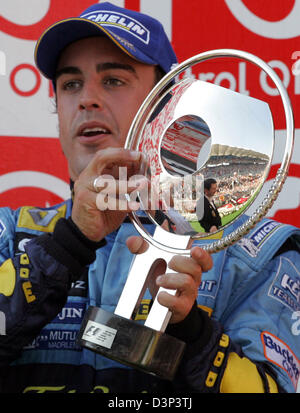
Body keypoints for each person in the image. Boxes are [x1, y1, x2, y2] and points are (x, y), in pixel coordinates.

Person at [0, 2, 299, 394]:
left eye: (113, 81)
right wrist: (69, 242)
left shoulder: (258, 253)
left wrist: (193, 333)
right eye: (70, 84)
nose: (87, 99)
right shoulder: (10, 233)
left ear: (167, 104)